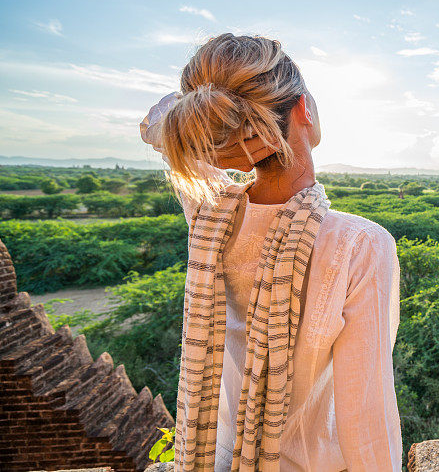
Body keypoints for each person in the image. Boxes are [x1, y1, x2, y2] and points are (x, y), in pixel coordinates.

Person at [139, 33, 402, 472]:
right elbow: (366, 422)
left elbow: (156, 124)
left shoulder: (209, 216)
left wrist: (226, 122)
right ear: (304, 109)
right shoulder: (358, 244)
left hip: (216, 457)